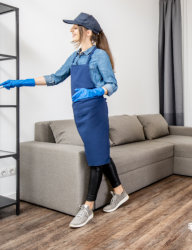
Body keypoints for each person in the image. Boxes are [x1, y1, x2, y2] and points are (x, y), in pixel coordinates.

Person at [0, 12, 129, 228]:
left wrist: (94, 92)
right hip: (80, 113)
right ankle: (119, 192)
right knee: (100, 154)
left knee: (95, 159)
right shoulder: (75, 56)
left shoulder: (99, 56)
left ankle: (87, 207)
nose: (71, 30)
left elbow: (112, 84)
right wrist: (21, 82)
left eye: (75, 27)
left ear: (88, 31)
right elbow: (54, 78)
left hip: (95, 111)